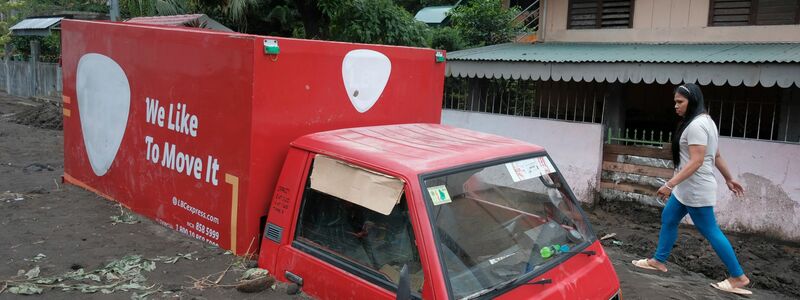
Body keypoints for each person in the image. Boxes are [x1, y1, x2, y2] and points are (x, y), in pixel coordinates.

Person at [631, 83, 751, 295]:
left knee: (710, 230)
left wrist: (669, 184)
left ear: (692, 101)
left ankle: (738, 277)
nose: (675, 106)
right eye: (675, 102)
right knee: (669, 217)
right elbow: (716, 156)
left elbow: (696, 162)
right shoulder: (707, 122)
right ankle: (658, 260)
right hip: (686, 189)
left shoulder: (696, 126)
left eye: (680, 102)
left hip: (695, 189)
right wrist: (729, 179)